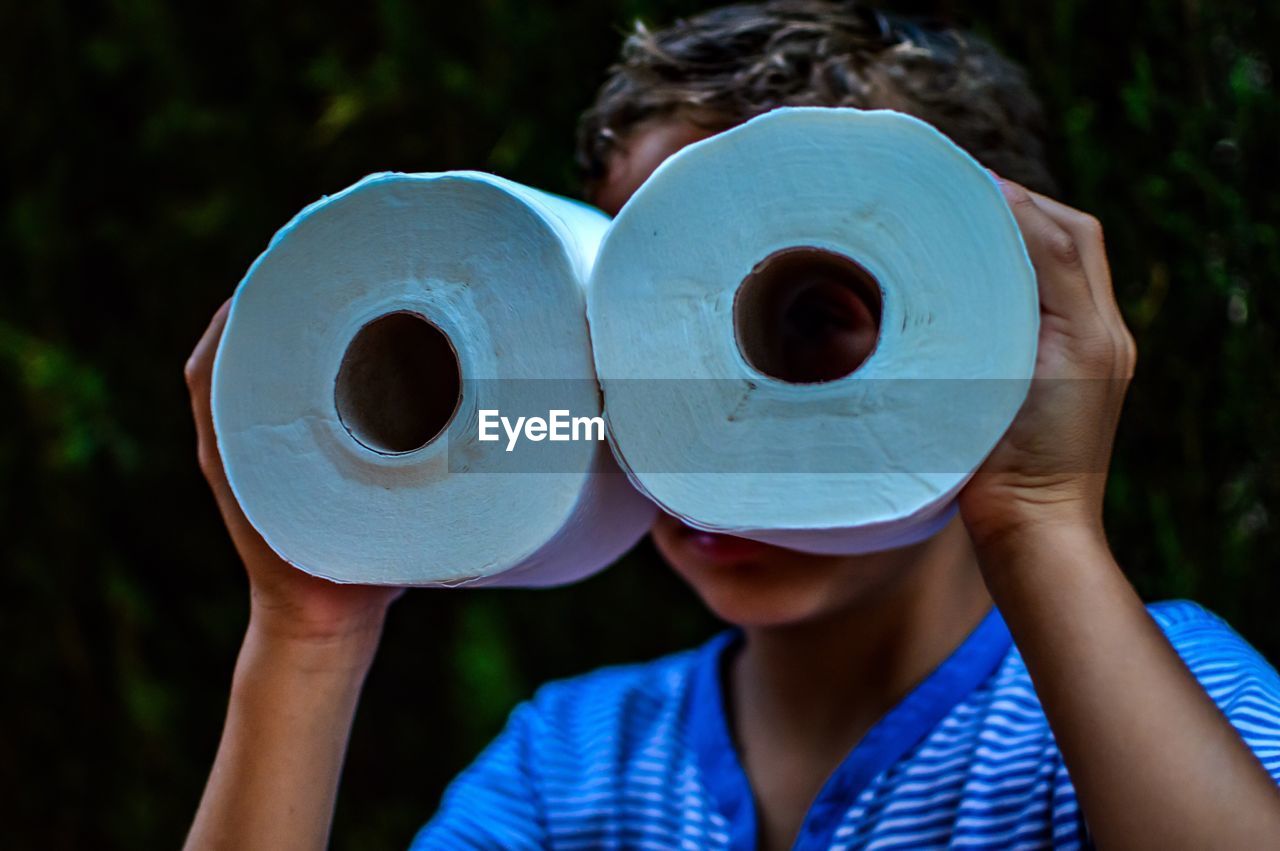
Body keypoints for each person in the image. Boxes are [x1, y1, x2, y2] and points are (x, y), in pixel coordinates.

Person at [182, 3, 1280, 849]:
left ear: (994, 326)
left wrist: (1041, 518)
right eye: (611, 332)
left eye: (814, 323)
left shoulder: (1154, 697)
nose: (690, 430)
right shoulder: (569, 769)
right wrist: (306, 635)